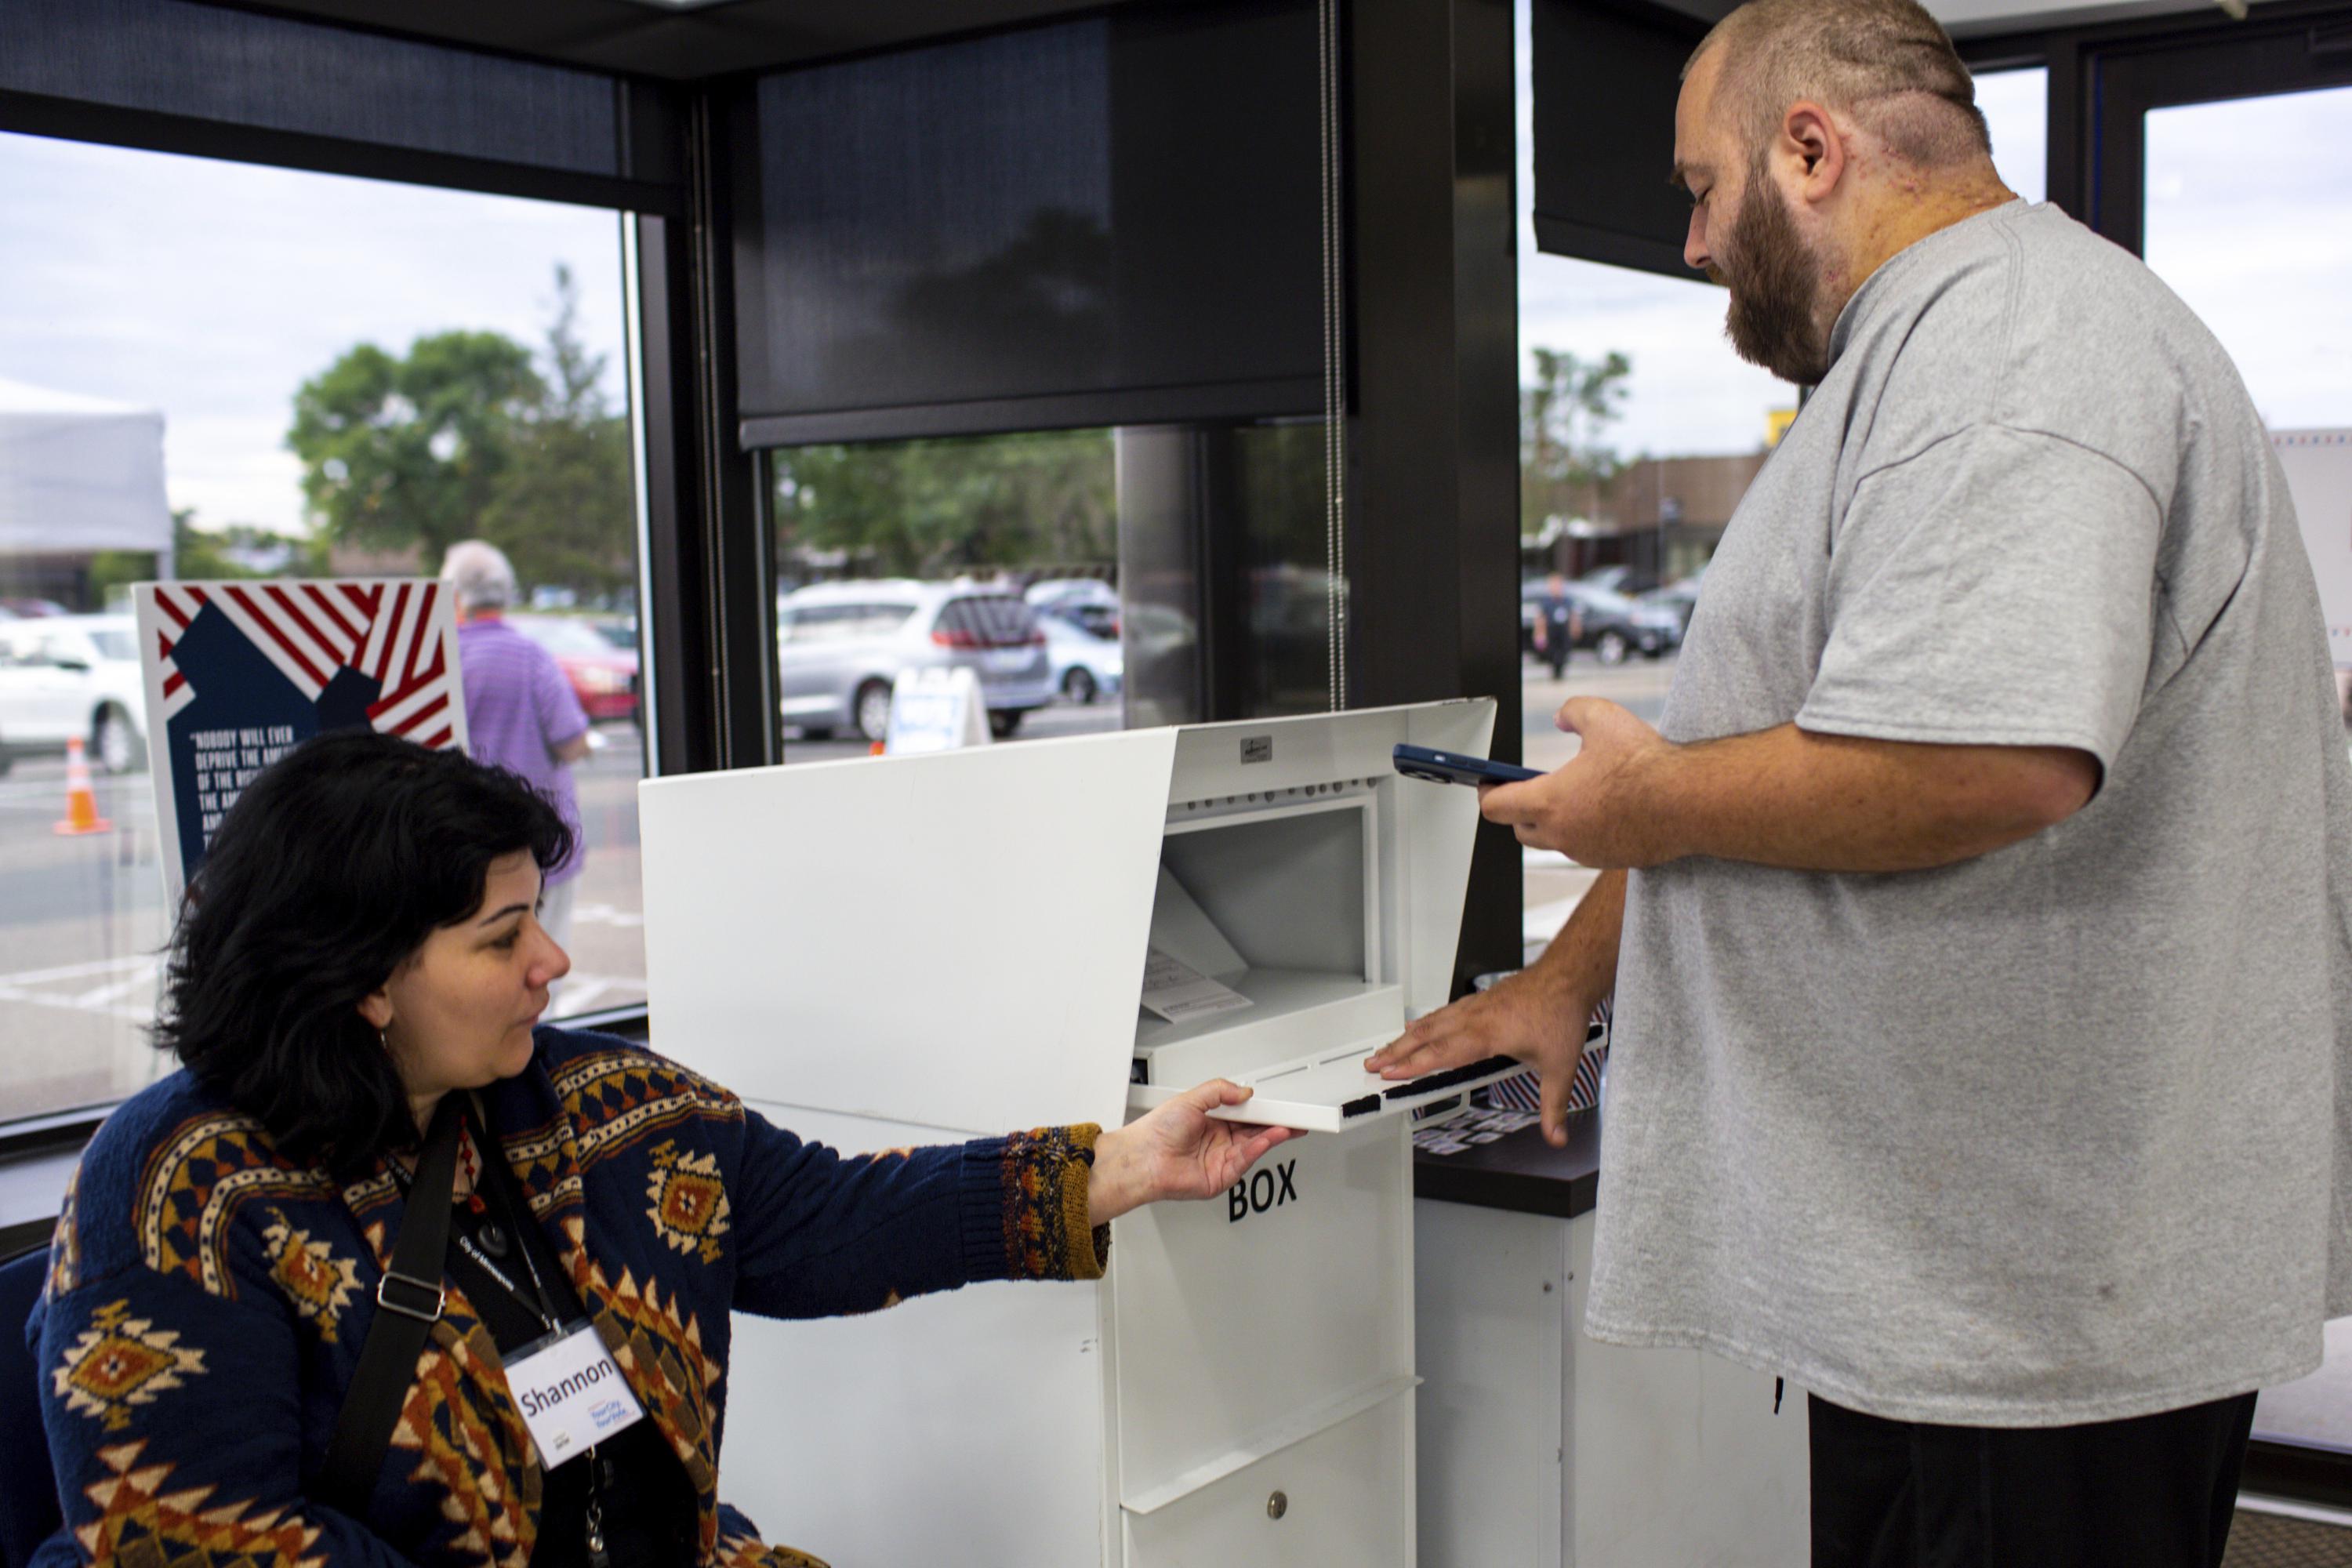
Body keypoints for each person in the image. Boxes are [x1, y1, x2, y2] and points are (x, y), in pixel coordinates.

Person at [1369, 2, 2352, 1563]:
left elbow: (1985, 758)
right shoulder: (1939, 350)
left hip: (2025, 1305)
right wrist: (1570, 972)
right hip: (1947, 1270)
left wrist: (1637, 809)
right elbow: (1788, 737)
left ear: (1809, 150)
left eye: (1701, 188)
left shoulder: (2011, 345)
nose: (1692, 243)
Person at [31, 731, 1293, 1568]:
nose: (554, 964)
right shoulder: (184, 1191)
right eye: (500, 935)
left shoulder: (599, 1103)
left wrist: (1125, 1166)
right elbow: (202, 1541)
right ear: (362, 977)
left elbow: (829, 1224)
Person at [443, 539, 591, 952]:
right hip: (540, 849)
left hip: (463, 852)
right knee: (541, 967)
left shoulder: (441, 661)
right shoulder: (533, 658)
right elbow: (572, 743)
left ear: (455, 597)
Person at [1530, 571, 1582, 681]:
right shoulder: (1546, 602)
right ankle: (1554, 670)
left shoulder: (1567, 601)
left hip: (1563, 630)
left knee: (1564, 652)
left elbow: (1573, 617)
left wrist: (1575, 629)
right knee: (1552, 652)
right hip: (1551, 630)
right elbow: (1540, 619)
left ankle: (1560, 670)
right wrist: (1539, 633)